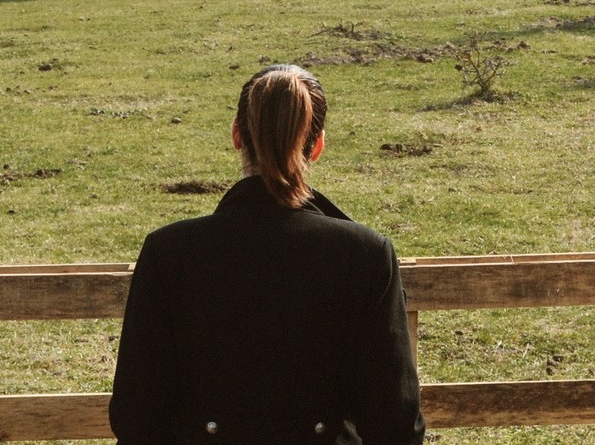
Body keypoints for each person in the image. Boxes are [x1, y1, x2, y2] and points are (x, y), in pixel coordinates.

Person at [110, 64, 425, 445]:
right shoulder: (365, 254)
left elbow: (136, 412)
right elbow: (395, 418)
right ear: (319, 144)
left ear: (237, 136)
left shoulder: (169, 251)